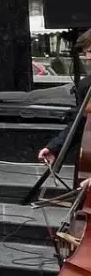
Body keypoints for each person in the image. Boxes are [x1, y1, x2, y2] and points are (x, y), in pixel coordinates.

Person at [37, 29, 91, 187]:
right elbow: (79, 124)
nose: (88, 57)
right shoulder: (86, 86)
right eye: (86, 53)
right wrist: (55, 148)